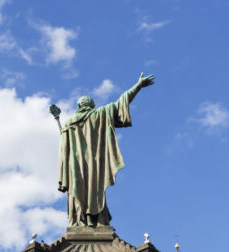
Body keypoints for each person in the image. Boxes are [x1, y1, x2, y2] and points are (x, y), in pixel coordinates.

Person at [53, 72, 155, 227]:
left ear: (79, 106)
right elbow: (123, 100)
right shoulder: (100, 113)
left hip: (76, 164)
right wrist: (138, 86)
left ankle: (80, 219)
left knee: (78, 188)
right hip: (95, 163)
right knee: (95, 189)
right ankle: (98, 219)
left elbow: (64, 147)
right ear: (91, 105)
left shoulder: (69, 122)